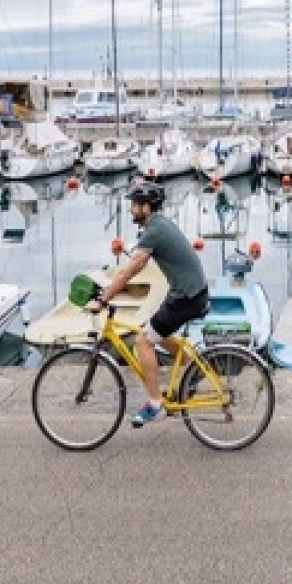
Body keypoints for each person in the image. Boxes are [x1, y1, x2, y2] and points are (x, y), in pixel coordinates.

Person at [88, 178, 211, 427]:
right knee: (152, 329)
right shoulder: (158, 225)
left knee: (143, 341)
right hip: (191, 292)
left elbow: (129, 271)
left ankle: (154, 403)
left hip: (186, 296)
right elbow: (132, 266)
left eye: (135, 204)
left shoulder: (154, 231)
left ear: (147, 207)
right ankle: (192, 368)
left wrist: (103, 298)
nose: (131, 209)